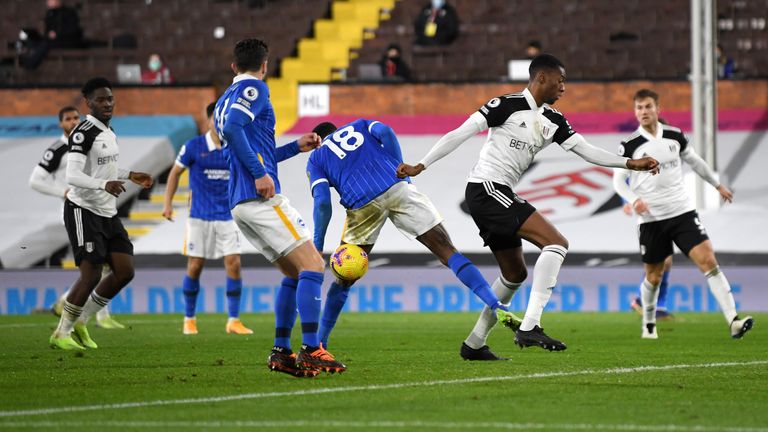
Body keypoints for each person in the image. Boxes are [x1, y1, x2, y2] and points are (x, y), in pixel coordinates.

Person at [397, 54, 660, 352]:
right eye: (560, 81)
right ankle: (530, 326)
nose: (564, 88)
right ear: (542, 78)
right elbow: (460, 133)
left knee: (514, 274)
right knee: (557, 243)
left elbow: (587, 152)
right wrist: (422, 164)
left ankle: (474, 343)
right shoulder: (505, 105)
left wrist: (631, 164)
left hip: (498, 192)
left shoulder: (554, 120)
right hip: (486, 188)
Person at [306, 119, 521, 359]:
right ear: (337, 130)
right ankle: (496, 305)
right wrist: (400, 169)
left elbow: (323, 202)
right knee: (448, 252)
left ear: (317, 142)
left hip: (361, 202)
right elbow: (385, 131)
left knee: (344, 277)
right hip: (397, 186)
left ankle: (319, 344)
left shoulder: (316, 158)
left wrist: (318, 244)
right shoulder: (359, 125)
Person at [213, 38, 342, 377]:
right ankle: (313, 348)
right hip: (259, 198)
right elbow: (235, 130)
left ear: (233, 66)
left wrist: (292, 149)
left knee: (294, 272)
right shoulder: (256, 89)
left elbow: (243, 143)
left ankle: (282, 352)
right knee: (314, 265)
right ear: (265, 65)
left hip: (240, 202)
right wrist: (260, 174)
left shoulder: (223, 100)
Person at [612, 88, 753, 340]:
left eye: (648, 106)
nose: (643, 112)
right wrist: (634, 200)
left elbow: (696, 161)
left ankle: (733, 320)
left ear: (658, 109)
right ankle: (648, 322)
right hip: (651, 219)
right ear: (635, 112)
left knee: (708, 260)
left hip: (682, 212)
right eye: (639, 108)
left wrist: (717, 184)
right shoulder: (630, 145)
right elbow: (618, 181)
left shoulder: (675, 136)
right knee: (653, 276)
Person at [49, 77, 154, 350]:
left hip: (107, 211)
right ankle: (61, 333)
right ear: (88, 103)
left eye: (110, 99)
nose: (108, 104)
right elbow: (73, 175)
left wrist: (131, 175)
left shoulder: (108, 131)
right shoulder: (83, 133)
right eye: (101, 100)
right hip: (83, 210)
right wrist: (103, 184)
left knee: (124, 271)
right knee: (92, 273)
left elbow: (103, 171)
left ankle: (82, 320)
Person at [29, 106, 127, 329]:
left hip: (98, 209)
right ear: (60, 124)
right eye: (68, 119)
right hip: (77, 210)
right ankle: (93, 315)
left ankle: (71, 303)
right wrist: (61, 192)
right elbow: (35, 180)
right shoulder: (57, 150)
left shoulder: (88, 141)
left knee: (103, 265)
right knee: (97, 265)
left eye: (76, 117)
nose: (73, 122)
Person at [162, 102, 251, 335]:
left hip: (227, 216)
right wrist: (167, 203)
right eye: (216, 119)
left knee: (234, 264)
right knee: (195, 266)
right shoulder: (194, 146)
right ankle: (189, 319)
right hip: (199, 216)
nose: (220, 123)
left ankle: (233, 320)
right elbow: (175, 172)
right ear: (209, 120)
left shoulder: (235, 147)